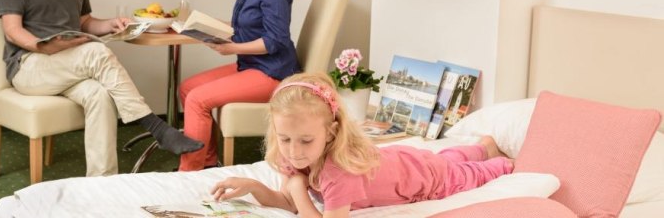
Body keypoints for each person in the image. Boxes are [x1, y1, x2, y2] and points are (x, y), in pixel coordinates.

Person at [0, 0, 203, 177]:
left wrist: (110, 24)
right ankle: (156, 127)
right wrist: (42, 46)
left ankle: (102, 182)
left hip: (69, 65)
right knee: (95, 51)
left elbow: (84, 22)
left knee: (101, 95)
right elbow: (12, 30)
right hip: (30, 67)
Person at [211, 73, 513, 217]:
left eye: (306, 140)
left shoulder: (338, 171)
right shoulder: (294, 155)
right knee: (446, 157)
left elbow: (297, 199)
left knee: (463, 172)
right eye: (284, 138)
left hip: (421, 178)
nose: (293, 150)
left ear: (331, 133)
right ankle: (481, 146)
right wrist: (253, 186)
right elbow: (288, 202)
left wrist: (298, 188)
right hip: (401, 160)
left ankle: (500, 159)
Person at [178, 0, 300, 171]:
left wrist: (232, 48)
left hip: (272, 72)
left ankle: (189, 173)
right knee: (188, 88)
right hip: (251, 64)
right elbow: (247, 25)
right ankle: (207, 163)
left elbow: (275, 40)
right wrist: (207, 25)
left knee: (198, 99)